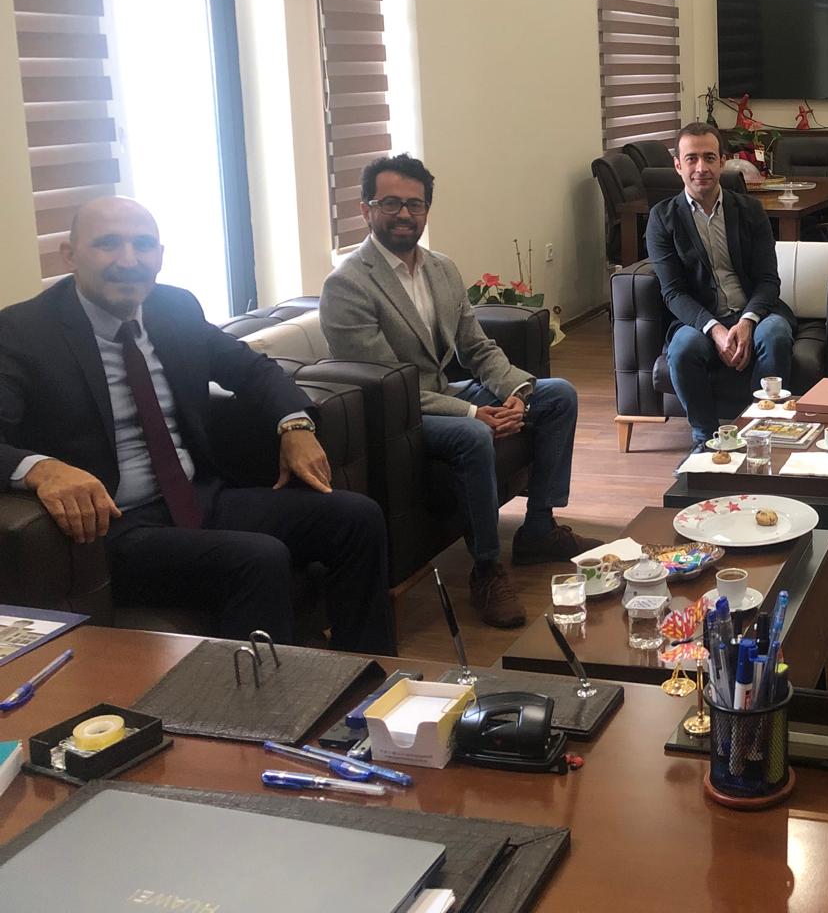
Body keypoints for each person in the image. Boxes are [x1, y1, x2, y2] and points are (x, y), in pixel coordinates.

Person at [0, 197, 393, 653]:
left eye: (142, 245)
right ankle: (266, 699)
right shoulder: (25, 332)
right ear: (69, 255)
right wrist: (41, 468)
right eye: (107, 244)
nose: (128, 260)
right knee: (259, 557)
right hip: (112, 528)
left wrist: (295, 426)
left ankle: (373, 676)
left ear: (159, 255)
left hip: (197, 498)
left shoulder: (174, 307)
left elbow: (253, 370)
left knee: (357, 517)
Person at [320, 154, 597, 630]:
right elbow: (389, 385)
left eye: (415, 204)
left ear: (426, 210)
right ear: (366, 209)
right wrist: (472, 414)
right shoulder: (347, 285)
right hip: (395, 416)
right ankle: (487, 569)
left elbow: (477, 347)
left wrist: (516, 392)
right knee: (472, 436)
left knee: (557, 396)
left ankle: (538, 529)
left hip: (443, 393)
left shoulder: (441, 268)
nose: (404, 214)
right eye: (390, 203)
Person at [646, 122, 795, 447]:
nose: (701, 168)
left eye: (709, 158)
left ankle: (760, 433)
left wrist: (747, 321)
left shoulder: (750, 210)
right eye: (692, 159)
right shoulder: (662, 218)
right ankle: (706, 440)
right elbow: (673, 292)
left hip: (755, 312)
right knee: (682, 349)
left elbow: (768, 280)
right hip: (699, 319)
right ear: (678, 165)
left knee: (776, 334)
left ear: (722, 162)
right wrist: (714, 329)